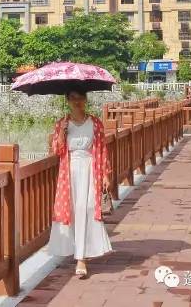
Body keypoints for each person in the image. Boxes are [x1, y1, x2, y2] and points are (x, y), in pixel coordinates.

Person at [48, 88, 113, 278]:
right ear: (67, 99)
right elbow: (56, 150)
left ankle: (82, 258)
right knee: (73, 212)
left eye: (81, 97)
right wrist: (61, 134)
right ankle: (79, 255)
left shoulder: (95, 123)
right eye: (73, 97)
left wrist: (106, 175)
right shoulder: (62, 123)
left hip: (91, 169)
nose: (77, 101)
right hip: (68, 172)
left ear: (86, 99)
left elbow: (102, 149)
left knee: (89, 209)